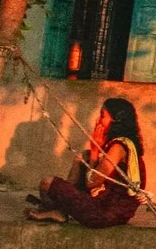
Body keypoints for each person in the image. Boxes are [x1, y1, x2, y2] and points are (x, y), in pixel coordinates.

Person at [27, 97, 143, 227]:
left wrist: (94, 151)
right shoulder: (120, 143)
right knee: (83, 157)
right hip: (109, 208)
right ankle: (60, 210)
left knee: (46, 183)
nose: (97, 121)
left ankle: (57, 210)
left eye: (102, 116)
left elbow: (91, 183)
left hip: (105, 214)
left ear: (116, 122)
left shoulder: (118, 147)